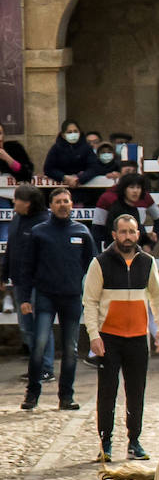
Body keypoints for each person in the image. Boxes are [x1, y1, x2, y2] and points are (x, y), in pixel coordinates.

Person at [82, 214, 159, 461]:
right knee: (107, 392)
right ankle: (105, 442)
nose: (128, 236)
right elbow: (90, 301)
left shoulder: (148, 262)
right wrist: (93, 335)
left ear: (138, 234)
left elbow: (158, 297)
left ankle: (134, 441)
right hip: (109, 337)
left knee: (136, 391)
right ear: (114, 235)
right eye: (123, 232)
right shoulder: (99, 263)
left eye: (132, 231)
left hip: (138, 337)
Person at [16, 187, 96, 411]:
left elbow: (93, 266)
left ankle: (66, 397)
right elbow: (27, 267)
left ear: (72, 204)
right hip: (45, 296)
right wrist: (24, 298)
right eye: (58, 201)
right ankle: (32, 394)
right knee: (39, 345)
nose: (62, 205)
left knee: (70, 350)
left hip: (72, 298)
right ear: (51, 206)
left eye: (66, 201)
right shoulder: (39, 232)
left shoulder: (82, 232)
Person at [3, 186, 54, 383]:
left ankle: (46, 367)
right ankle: (36, 365)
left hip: (37, 284)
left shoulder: (43, 223)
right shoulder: (16, 220)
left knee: (41, 326)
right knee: (26, 328)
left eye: (18, 199)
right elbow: (11, 249)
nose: (14, 203)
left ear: (29, 203)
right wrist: (4, 274)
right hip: (18, 282)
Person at [43, 119, 101, 188]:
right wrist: (64, 177)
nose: (73, 134)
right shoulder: (56, 148)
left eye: (75, 131)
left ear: (79, 133)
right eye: (69, 132)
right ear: (63, 135)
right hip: (61, 188)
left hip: (83, 188)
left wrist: (79, 179)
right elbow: (48, 169)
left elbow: (94, 167)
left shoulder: (87, 148)